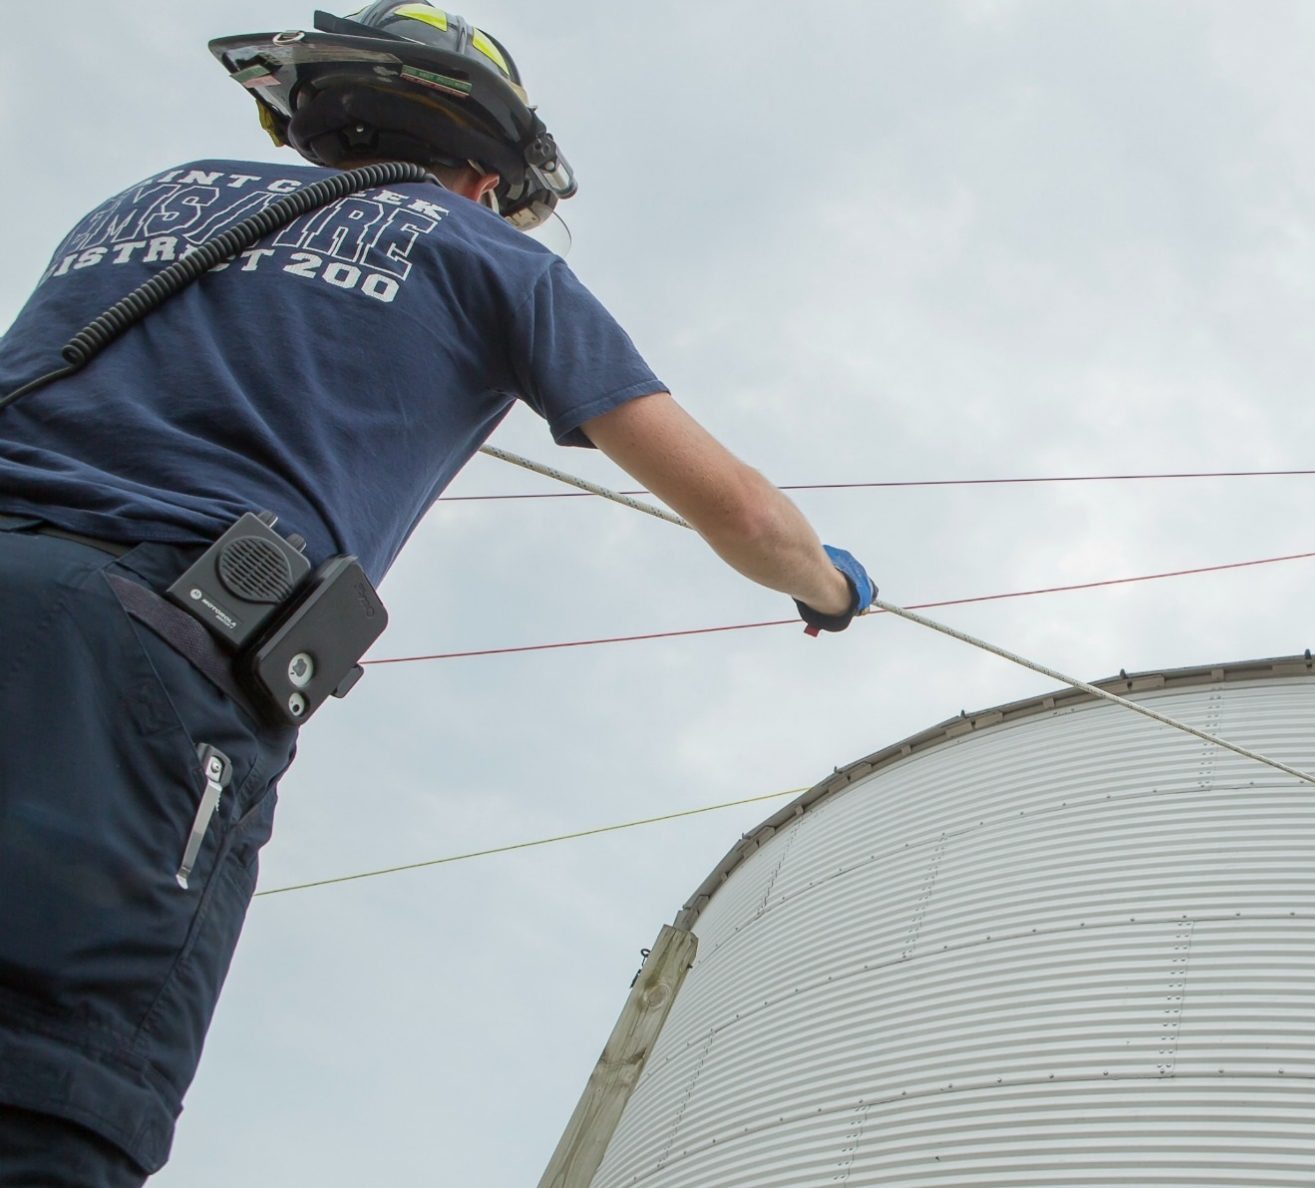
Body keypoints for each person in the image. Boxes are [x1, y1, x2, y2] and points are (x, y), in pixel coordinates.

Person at [0, 5, 874, 1182]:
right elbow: (747, 515)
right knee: (48, 1096)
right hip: (129, 663)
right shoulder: (493, 256)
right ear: (485, 168)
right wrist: (826, 586)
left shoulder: (151, 201)